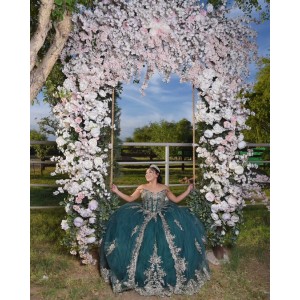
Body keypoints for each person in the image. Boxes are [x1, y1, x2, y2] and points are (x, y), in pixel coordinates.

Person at [99, 164, 210, 296]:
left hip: (163, 216)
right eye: (146, 173)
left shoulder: (164, 188)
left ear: (157, 174)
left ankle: (171, 274)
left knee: (167, 244)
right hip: (143, 216)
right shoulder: (142, 187)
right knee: (140, 243)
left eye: (150, 172)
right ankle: (137, 274)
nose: (147, 175)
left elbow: (176, 200)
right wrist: (116, 191)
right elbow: (130, 199)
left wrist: (188, 190)